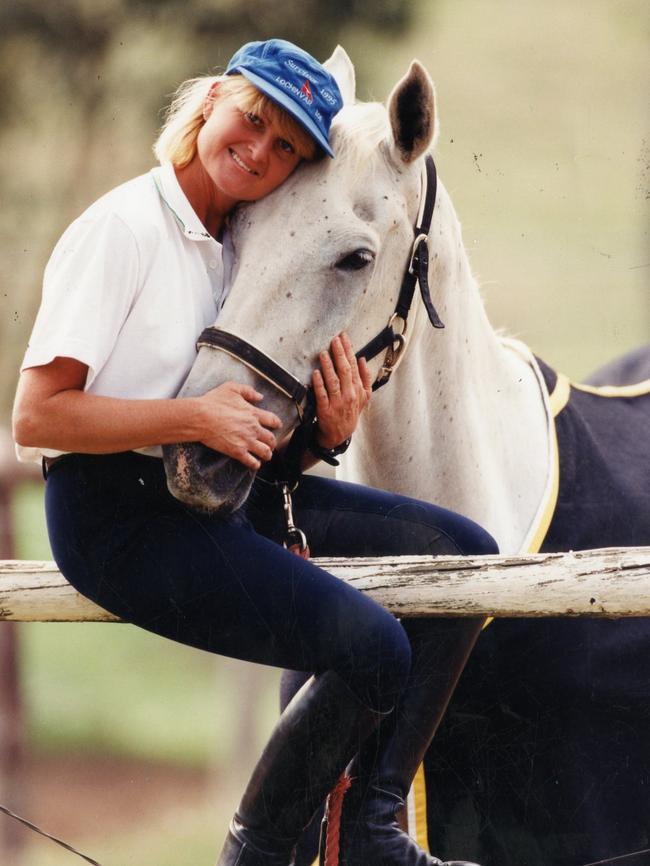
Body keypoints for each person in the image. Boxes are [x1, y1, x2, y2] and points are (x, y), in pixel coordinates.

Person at [12, 38, 497, 866]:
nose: (261, 151)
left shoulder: (241, 242)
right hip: (115, 518)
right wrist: (191, 421)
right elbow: (36, 419)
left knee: (465, 557)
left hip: (211, 493)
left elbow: (247, 443)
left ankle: (369, 828)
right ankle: (260, 855)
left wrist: (324, 436)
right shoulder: (123, 228)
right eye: (253, 121)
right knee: (373, 649)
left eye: (286, 149)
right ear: (210, 105)